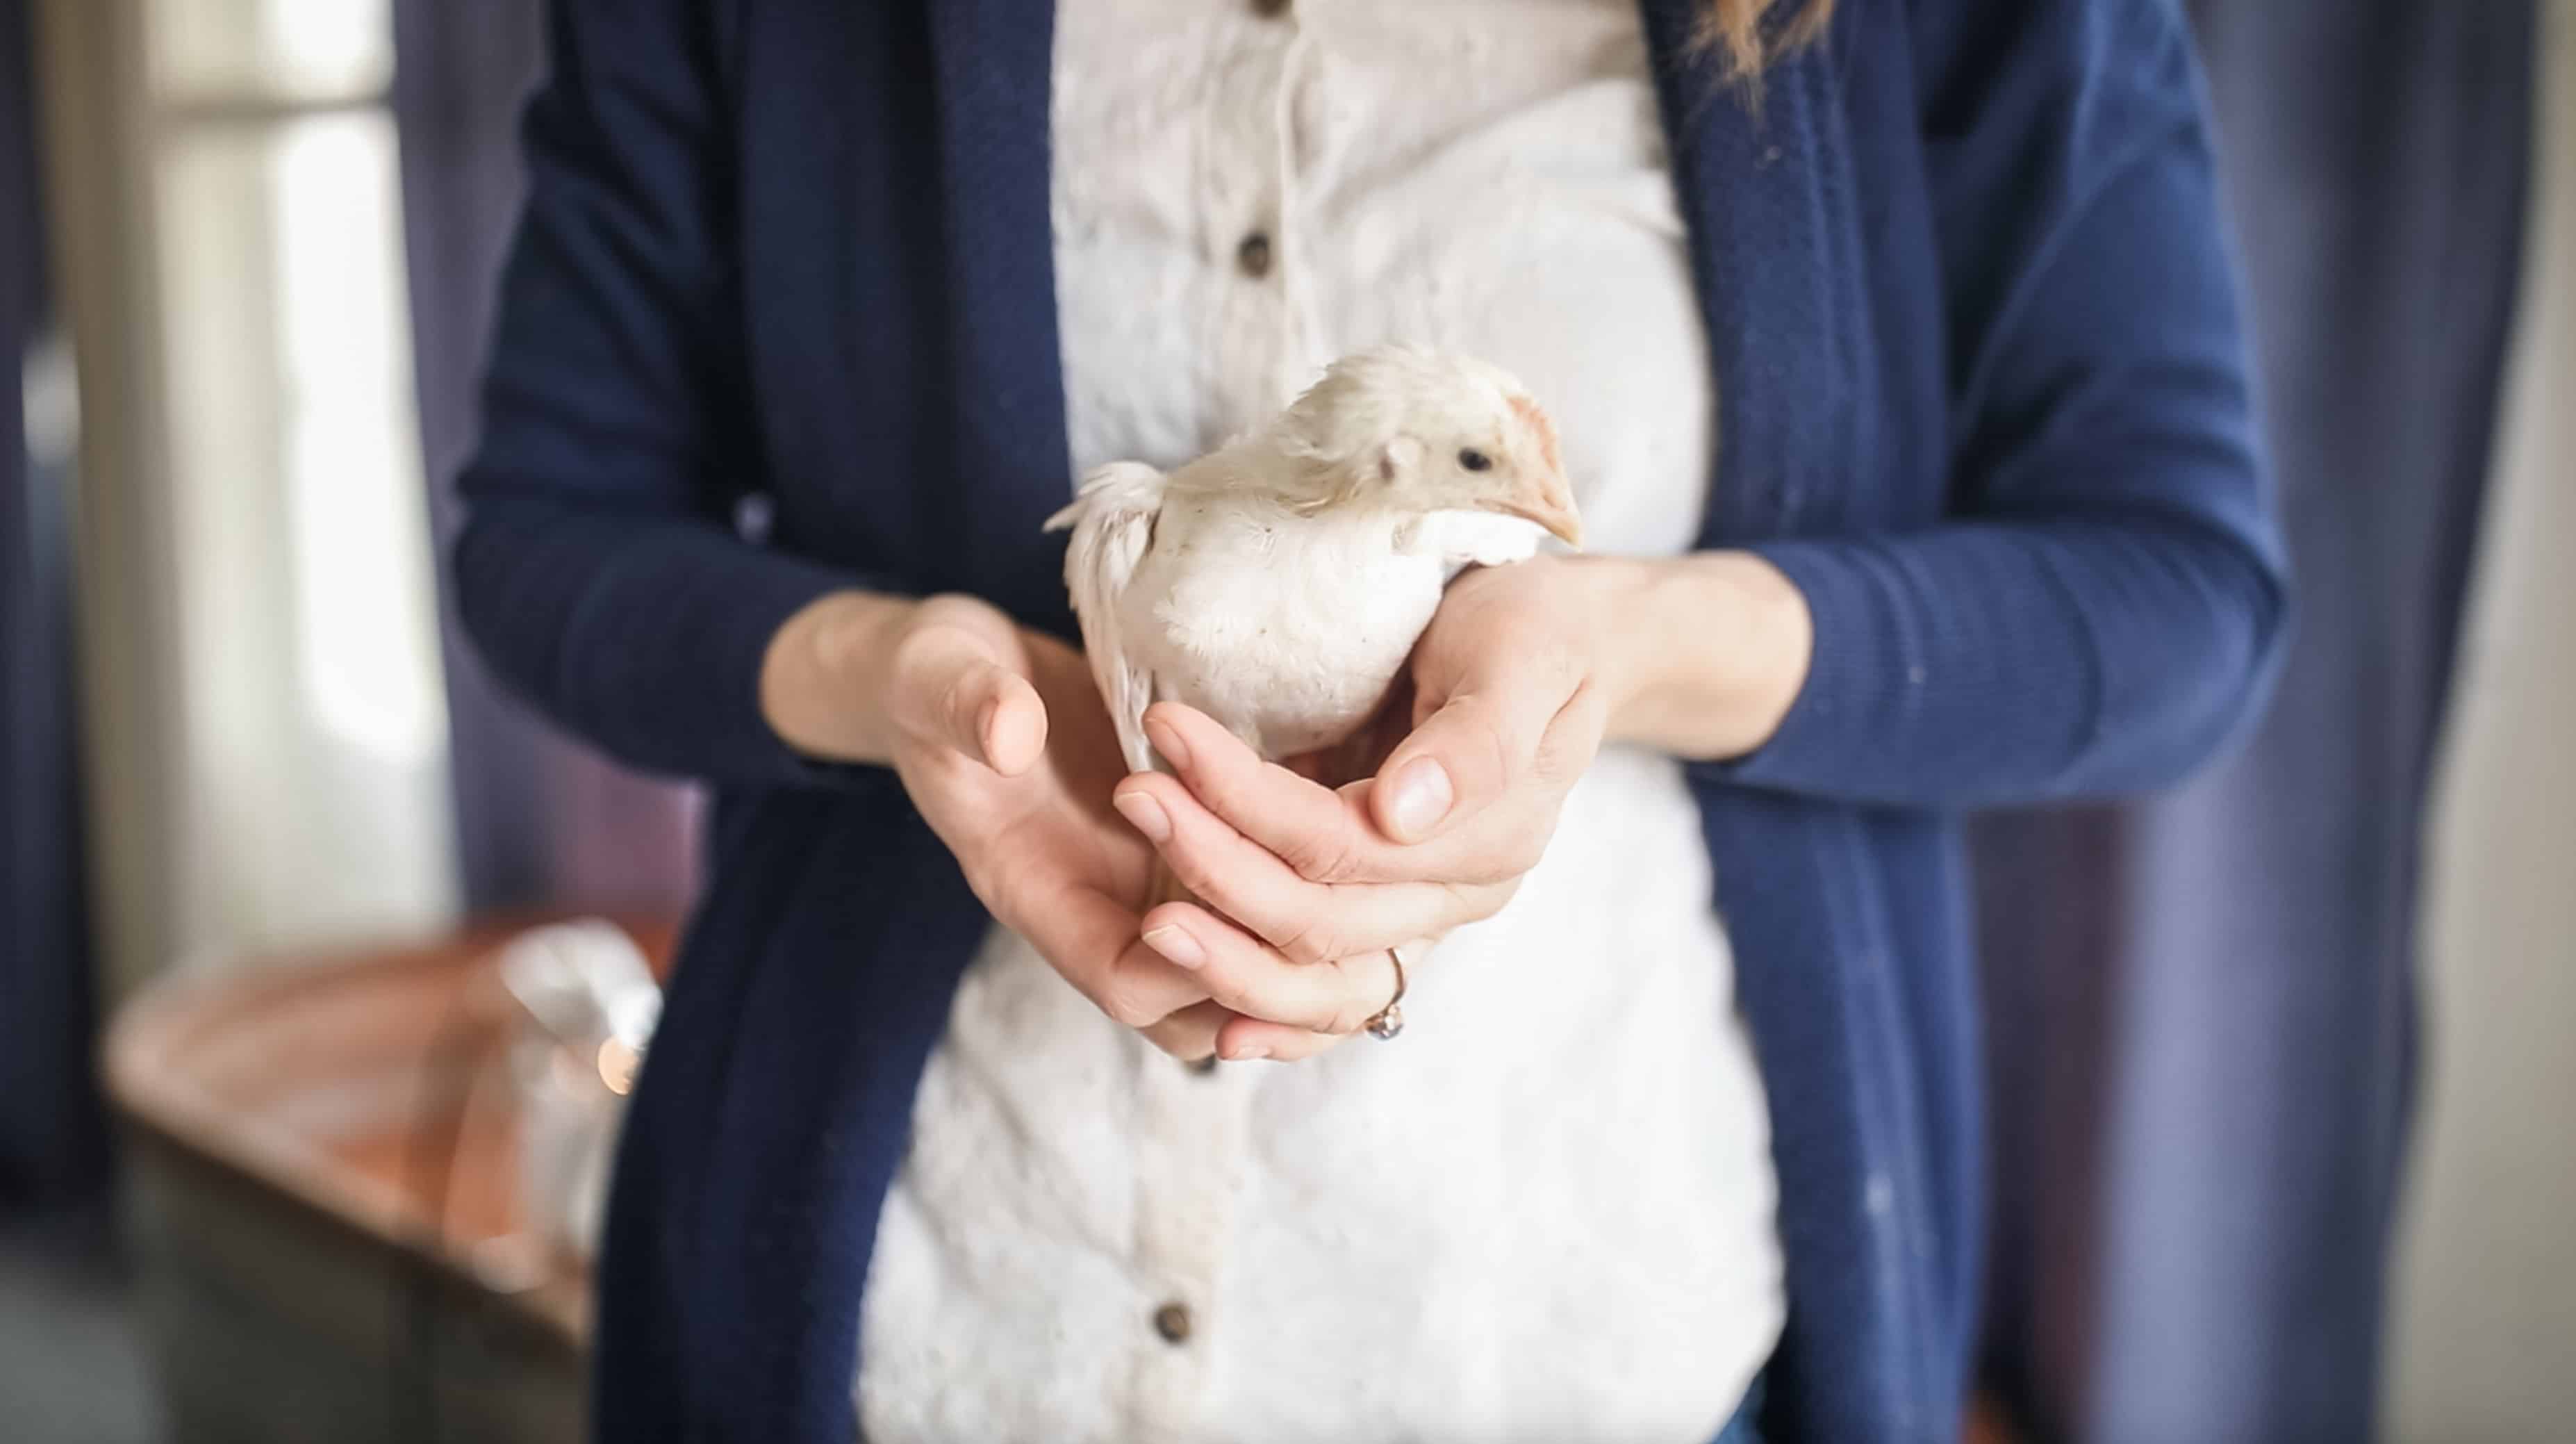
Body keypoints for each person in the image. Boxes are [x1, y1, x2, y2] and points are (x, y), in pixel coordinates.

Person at [452, 0, 2286, 1440]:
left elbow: (2175, 596)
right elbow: (548, 537)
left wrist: (1630, 641)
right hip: (916, 1321)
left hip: (1597, 1330)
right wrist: (900, 682)